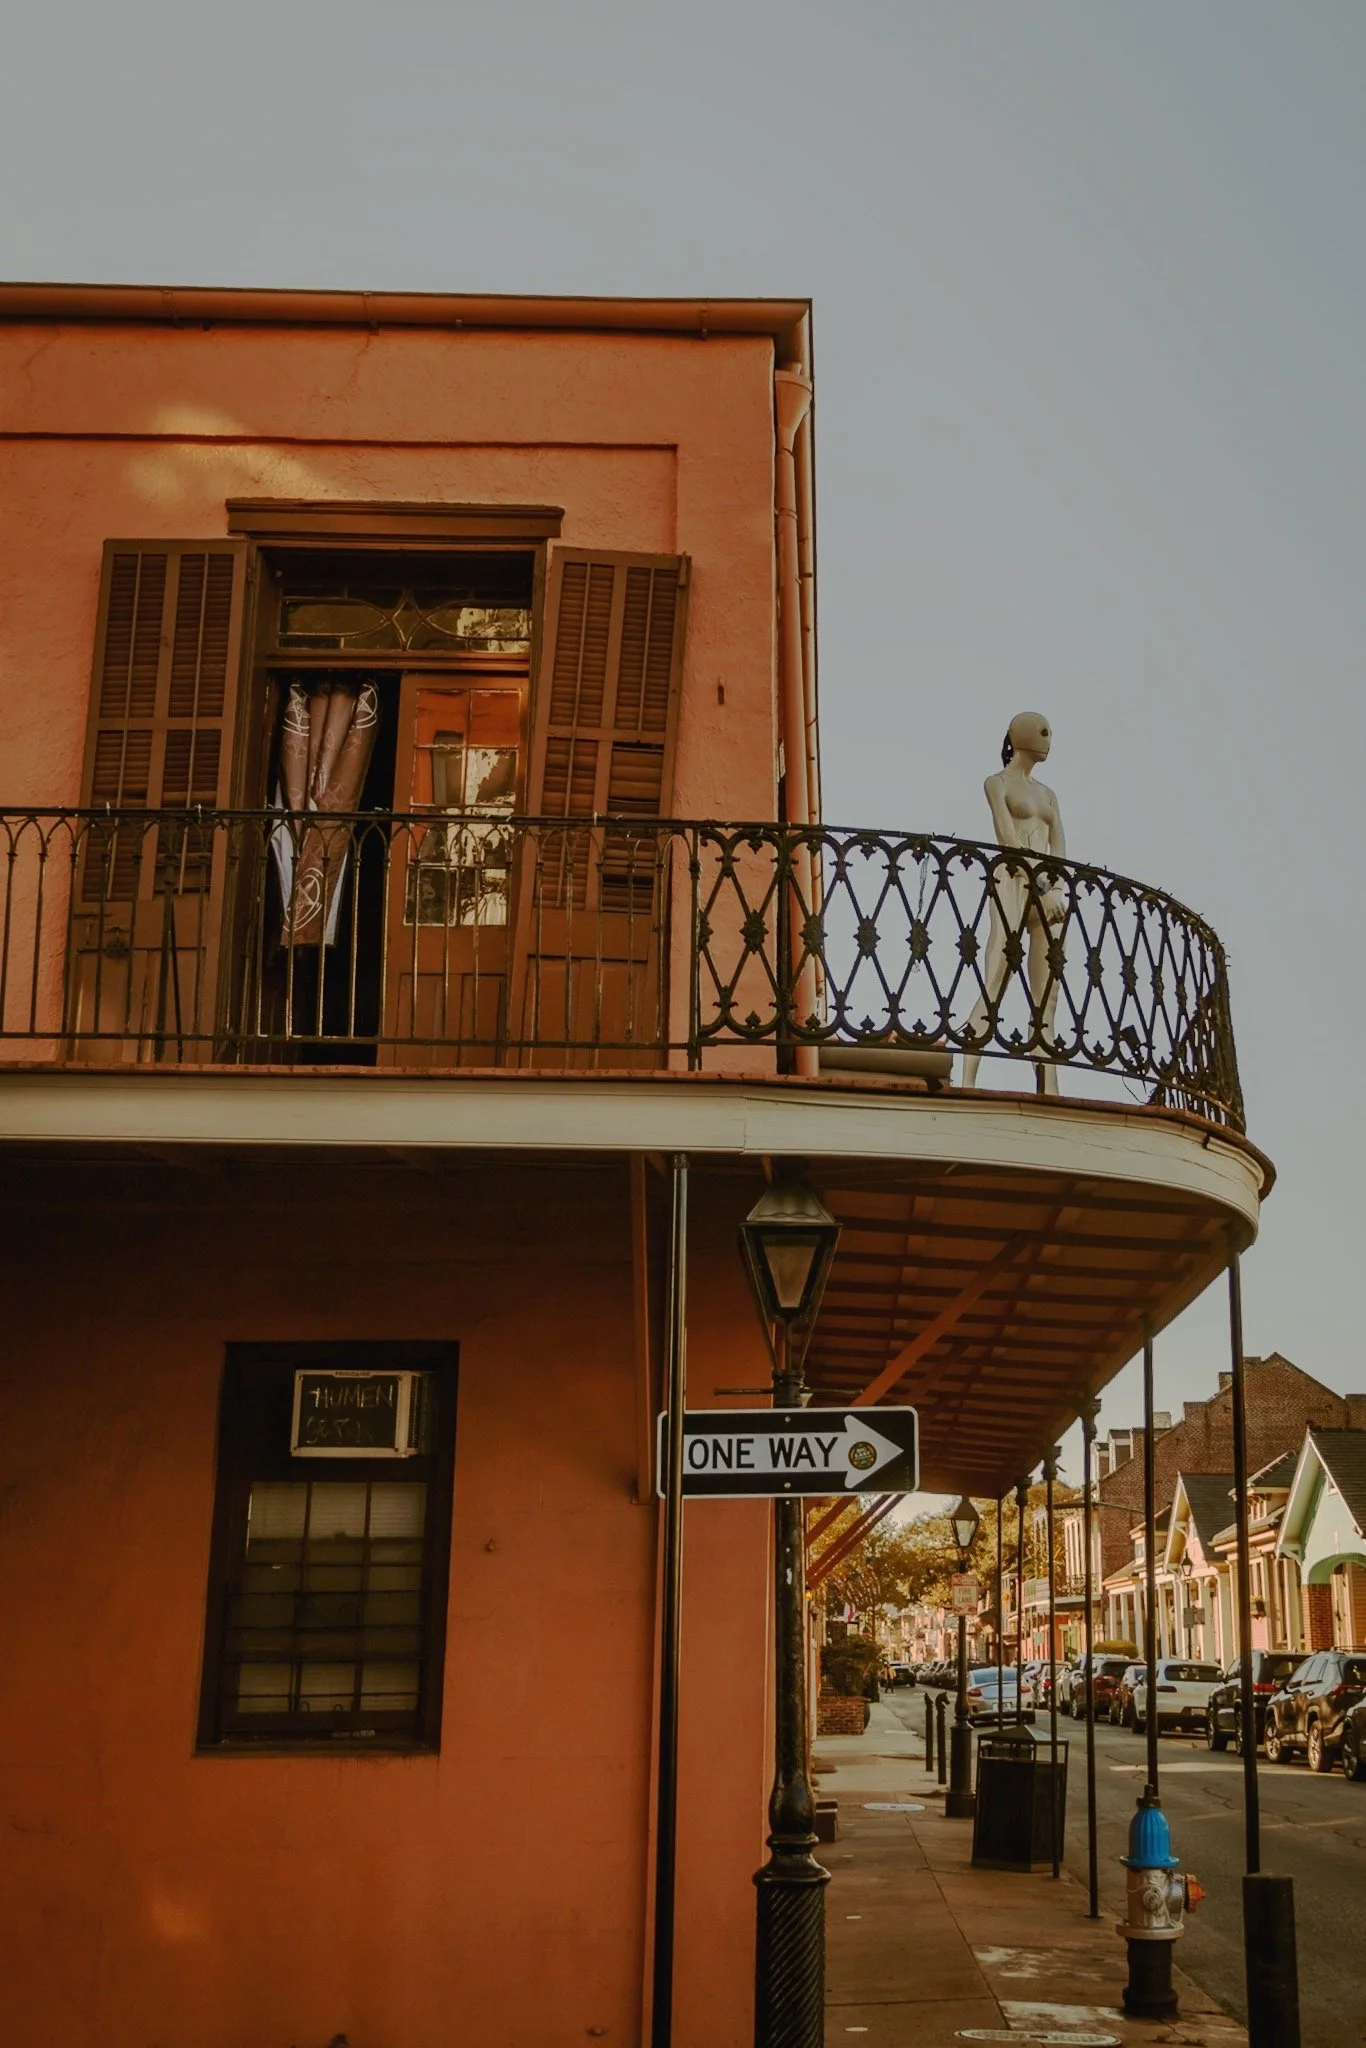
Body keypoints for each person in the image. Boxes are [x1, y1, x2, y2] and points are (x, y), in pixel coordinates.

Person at [960, 711, 1068, 1095]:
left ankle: (1049, 1087)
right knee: (997, 972)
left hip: (1048, 891)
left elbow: (1059, 847)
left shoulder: (1049, 795)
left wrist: (1053, 889)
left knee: (1048, 991)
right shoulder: (997, 783)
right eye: (1043, 731)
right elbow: (1007, 837)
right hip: (1013, 879)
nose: (1048, 738)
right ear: (1019, 736)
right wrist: (1040, 883)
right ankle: (969, 1078)